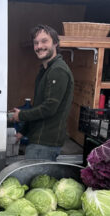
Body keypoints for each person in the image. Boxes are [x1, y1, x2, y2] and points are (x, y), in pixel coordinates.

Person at [11, 24, 74, 161]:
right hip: (38, 141)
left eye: (44, 41)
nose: (39, 46)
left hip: (45, 143)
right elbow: (39, 105)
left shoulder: (58, 70)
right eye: (36, 43)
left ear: (55, 43)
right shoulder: (45, 70)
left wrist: (21, 115)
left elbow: (49, 108)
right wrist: (23, 131)